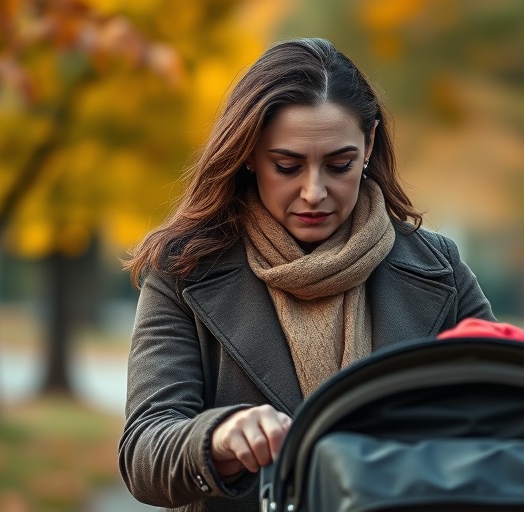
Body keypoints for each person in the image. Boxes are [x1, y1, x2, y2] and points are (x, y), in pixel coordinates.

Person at [119, 37, 495, 512]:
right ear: (250, 154)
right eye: (287, 166)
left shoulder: (439, 269)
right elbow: (144, 452)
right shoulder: (183, 270)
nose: (314, 192)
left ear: (369, 144)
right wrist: (218, 437)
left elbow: (501, 414)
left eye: (338, 165)